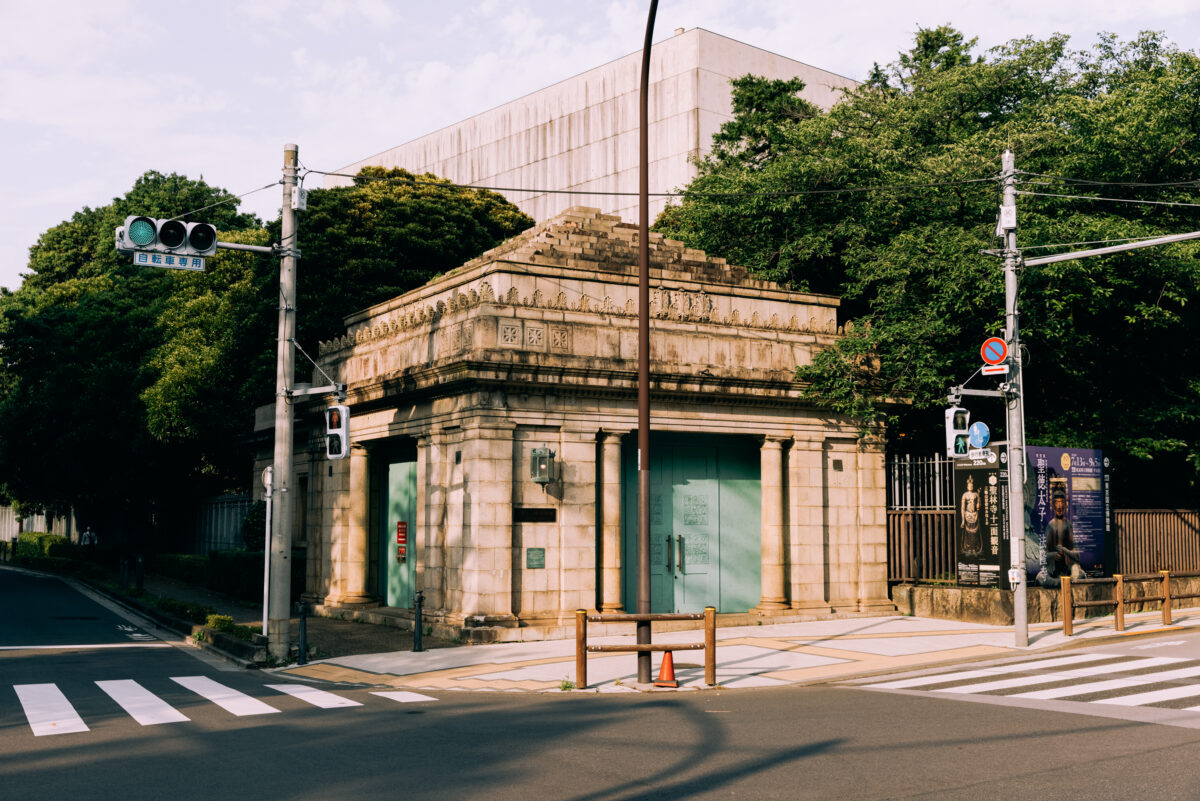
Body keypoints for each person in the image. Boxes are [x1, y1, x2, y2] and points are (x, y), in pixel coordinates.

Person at [1044, 488, 1083, 580]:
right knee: (1041, 578)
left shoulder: (1068, 525)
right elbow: (1044, 554)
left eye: (1061, 502)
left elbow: (1077, 554)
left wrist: (1066, 551)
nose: (1059, 506)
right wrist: (1053, 555)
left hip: (1067, 567)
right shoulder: (1051, 525)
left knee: (1081, 575)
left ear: (1065, 505)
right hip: (1053, 569)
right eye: (1057, 502)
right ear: (1053, 505)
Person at [959, 475, 982, 556]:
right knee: (968, 533)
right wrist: (962, 519)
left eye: (972, 485)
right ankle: (968, 548)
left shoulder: (976, 494)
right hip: (967, 514)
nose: (970, 486)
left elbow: (979, 503)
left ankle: (975, 548)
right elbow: (962, 508)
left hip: (975, 514)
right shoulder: (964, 495)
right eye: (969, 485)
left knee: (975, 533)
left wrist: (978, 505)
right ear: (967, 486)